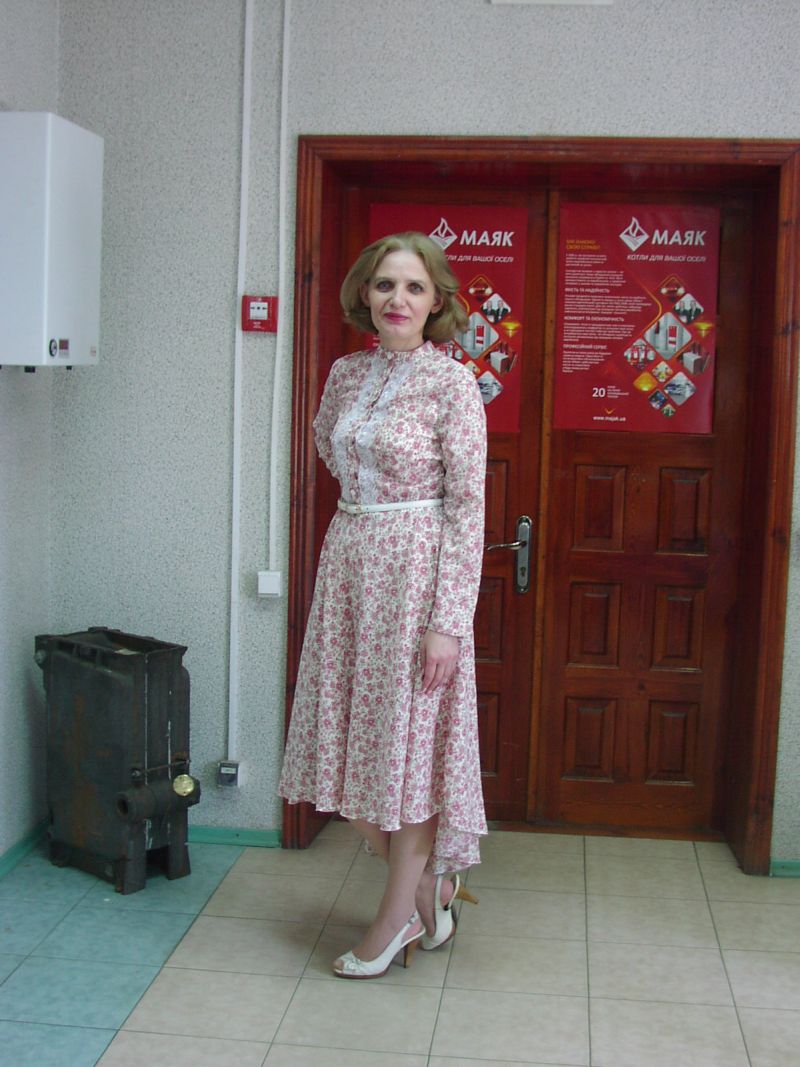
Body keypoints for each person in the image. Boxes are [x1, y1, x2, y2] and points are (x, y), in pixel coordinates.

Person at [279, 231, 487, 979]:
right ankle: (432, 890)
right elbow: (328, 446)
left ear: (436, 302)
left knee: (413, 755)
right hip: (350, 571)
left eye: (414, 287)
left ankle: (396, 920)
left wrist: (446, 623)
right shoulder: (344, 373)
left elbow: (468, 507)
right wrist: (366, 517)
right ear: (364, 294)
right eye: (385, 284)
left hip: (417, 581)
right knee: (350, 752)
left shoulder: (452, 384)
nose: (398, 299)